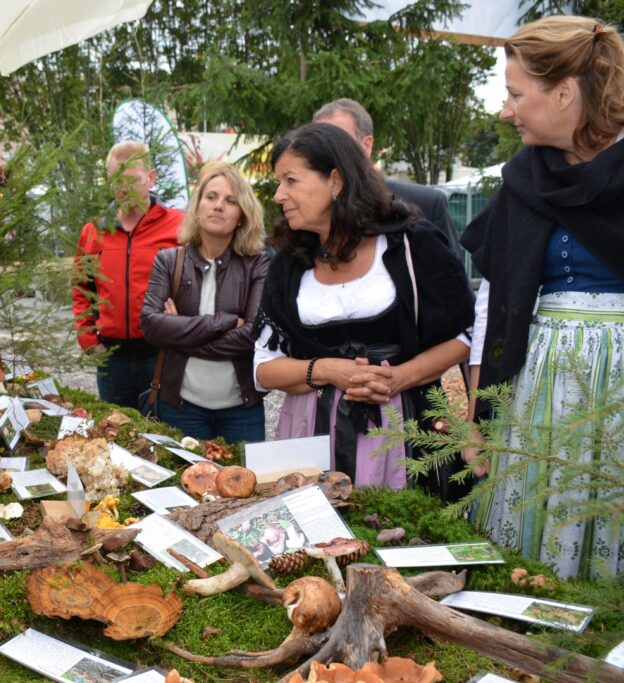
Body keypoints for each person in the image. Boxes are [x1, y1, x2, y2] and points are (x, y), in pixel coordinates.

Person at [461, 16, 624, 580]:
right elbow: (494, 305)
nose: (506, 110)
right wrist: (478, 416)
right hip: (537, 388)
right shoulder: (525, 181)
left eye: (514, 94)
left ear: (564, 92)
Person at [254, 123, 474, 499]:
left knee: (398, 537)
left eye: (291, 181)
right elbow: (263, 367)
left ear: (335, 181)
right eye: (279, 183)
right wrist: (326, 369)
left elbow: (465, 334)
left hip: (400, 431)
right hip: (312, 434)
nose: (278, 195)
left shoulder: (413, 245)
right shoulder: (289, 266)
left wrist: (400, 377)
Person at [140, 162, 270, 443]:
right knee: (184, 485)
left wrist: (177, 331)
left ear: (242, 215)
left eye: (230, 200)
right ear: (197, 207)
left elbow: (251, 336)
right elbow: (150, 326)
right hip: (181, 407)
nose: (219, 205)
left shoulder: (258, 265)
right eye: (211, 197)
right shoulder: (169, 261)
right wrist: (224, 322)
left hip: (241, 411)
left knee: (246, 485)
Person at [72, 141, 184, 408]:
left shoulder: (178, 227)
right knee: (117, 434)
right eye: (116, 180)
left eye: (132, 180)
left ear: (151, 178)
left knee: (165, 437)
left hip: (160, 356)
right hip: (111, 359)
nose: (123, 188)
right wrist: (88, 340)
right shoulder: (94, 231)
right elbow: (81, 289)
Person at [312, 98, 462, 262]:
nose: (327, 153)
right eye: (319, 145)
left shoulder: (425, 204)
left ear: (366, 146)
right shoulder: (306, 212)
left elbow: (453, 281)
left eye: (337, 142)